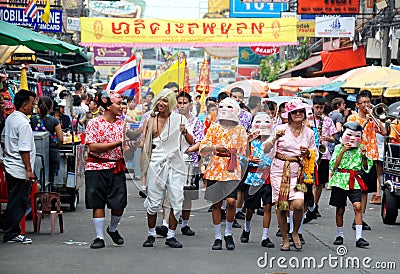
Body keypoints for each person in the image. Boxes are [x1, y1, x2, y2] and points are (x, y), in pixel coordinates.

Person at [141, 88, 194, 249]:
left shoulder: (179, 119)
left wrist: (184, 132)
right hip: (156, 162)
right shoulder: (150, 120)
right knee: (154, 202)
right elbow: (144, 142)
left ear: (171, 104)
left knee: (177, 201)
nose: (161, 103)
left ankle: (171, 235)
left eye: (165, 101)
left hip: (176, 163)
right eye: (160, 100)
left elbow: (191, 141)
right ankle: (151, 234)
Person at [264, 98, 317, 251]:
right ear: (289, 114)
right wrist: (275, 138)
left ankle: (295, 232)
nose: (298, 114)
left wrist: (308, 153)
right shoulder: (279, 129)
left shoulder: (309, 133)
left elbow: (314, 153)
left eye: (301, 111)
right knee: (281, 206)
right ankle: (285, 238)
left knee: (299, 205)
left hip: (299, 172)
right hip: (280, 170)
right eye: (295, 112)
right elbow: (266, 149)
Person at [199, 97, 249, 251]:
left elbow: (245, 151)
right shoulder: (214, 128)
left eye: (229, 107)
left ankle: (228, 232)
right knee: (216, 204)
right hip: (215, 169)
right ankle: (217, 237)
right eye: (222, 106)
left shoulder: (240, 129)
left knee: (232, 201)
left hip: (232, 169)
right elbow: (203, 148)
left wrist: (251, 143)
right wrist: (215, 147)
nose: (225, 109)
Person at [85, 90, 128, 249]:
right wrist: (118, 143)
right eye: (118, 103)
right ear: (108, 106)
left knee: (119, 204)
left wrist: (129, 146)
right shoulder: (94, 123)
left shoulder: (122, 124)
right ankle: (99, 237)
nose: (122, 107)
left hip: (116, 167)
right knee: (98, 203)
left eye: (122, 103)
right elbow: (93, 146)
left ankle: (113, 228)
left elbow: (125, 148)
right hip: (96, 167)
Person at [347, 91, 386, 230]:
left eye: (368, 102)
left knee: (365, 190)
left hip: (371, 156)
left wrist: (376, 119)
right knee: (356, 188)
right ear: (357, 104)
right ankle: (356, 217)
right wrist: (365, 122)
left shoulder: (373, 118)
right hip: (356, 156)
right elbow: (350, 135)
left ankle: (360, 218)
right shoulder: (352, 118)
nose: (366, 105)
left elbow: (384, 132)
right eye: (363, 102)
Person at [329, 122, 372, 248]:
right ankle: (340, 235)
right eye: (349, 135)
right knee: (340, 209)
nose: (353, 138)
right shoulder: (338, 148)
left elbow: (366, 168)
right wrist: (343, 150)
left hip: (355, 180)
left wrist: (364, 156)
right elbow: (334, 166)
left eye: (357, 136)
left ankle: (359, 237)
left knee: (358, 206)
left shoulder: (361, 149)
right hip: (340, 180)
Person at [2, 89, 36, 244]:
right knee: (18, 202)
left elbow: (3, 139)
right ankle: (11, 233)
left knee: (15, 201)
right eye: (32, 104)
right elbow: (24, 149)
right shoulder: (22, 123)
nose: (33, 107)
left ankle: (11, 231)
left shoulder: (11, 119)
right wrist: (29, 170)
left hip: (11, 166)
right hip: (18, 169)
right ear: (24, 105)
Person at [240, 112, 275, 248]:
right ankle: (246, 229)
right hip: (253, 177)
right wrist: (249, 158)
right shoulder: (249, 140)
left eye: (265, 121)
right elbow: (242, 158)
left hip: (268, 177)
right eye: (258, 122)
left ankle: (265, 236)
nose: (261, 125)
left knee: (267, 207)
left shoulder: (273, 140)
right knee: (250, 208)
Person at [177, 92, 204, 236]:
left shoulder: (196, 122)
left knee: (187, 196)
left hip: (190, 162)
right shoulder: (170, 119)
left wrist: (187, 150)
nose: (181, 106)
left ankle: (185, 224)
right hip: (173, 162)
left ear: (190, 104)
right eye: (179, 103)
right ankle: (167, 223)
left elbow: (199, 142)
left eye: (184, 103)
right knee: (171, 194)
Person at [305, 96, 336, 222]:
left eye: (321, 108)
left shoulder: (328, 121)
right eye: (317, 107)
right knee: (310, 181)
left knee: (320, 183)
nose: (318, 110)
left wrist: (326, 138)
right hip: (311, 154)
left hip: (324, 154)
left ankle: (315, 205)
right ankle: (309, 205)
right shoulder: (308, 119)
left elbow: (334, 138)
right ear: (313, 106)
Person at [30, 96, 64, 188]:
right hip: (52, 151)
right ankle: (48, 197)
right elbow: (61, 138)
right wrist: (58, 146)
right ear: (51, 107)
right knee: (50, 178)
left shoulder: (32, 119)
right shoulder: (54, 121)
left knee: (36, 176)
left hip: (35, 152)